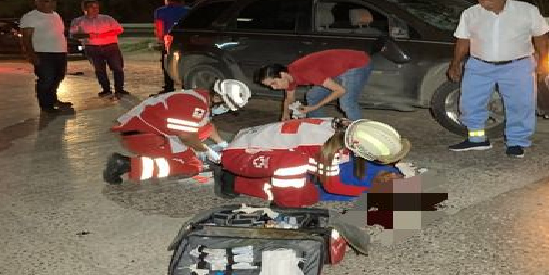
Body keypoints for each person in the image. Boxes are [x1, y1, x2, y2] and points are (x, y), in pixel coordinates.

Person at [446, 0, 549, 159]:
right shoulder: (471, 13)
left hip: (517, 66)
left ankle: (516, 142)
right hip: (479, 65)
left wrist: (544, 61)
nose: (484, 4)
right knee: (469, 103)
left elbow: (541, 37)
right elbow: (463, 40)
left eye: (490, 0)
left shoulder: (527, 10)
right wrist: (455, 63)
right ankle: (477, 139)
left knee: (520, 105)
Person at [213, 118, 413, 208]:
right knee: (296, 174)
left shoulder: (347, 127)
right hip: (239, 155)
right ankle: (285, 206)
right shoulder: (328, 149)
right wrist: (372, 193)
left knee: (305, 175)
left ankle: (244, 180)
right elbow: (333, 186)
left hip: (255, 143)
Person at [102, 79, 251, 184]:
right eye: (226, 106)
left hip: (148, 130)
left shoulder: (201, 97)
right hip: (143, 136)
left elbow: (207, 126)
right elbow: (186, 136)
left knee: (204, 130)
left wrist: (222, 144)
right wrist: (206, 150)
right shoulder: (195, 105)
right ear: (218, 98)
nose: (225, 110)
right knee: (192, 166)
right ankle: (126, 164)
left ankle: (161, 153)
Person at [254, 49, 373, 121]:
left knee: (347, 103)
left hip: (357, 63)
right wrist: (285, 114)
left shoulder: (307, 72)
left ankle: (360, 135)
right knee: (312, 96)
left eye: (274, 83)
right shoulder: (289, 77)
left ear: (282, 74)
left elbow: (340, 91)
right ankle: (320, 125)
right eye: (270, 86)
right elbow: (289, 98)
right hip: (337, 68)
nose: (274, 88)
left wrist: (314, 107)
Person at [19, 0, 73, 115]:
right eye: (46, 1)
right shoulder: (30, 17)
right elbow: (26, 38)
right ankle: (46, 105)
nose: (50, 4)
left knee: (58, 77)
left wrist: (64, 48)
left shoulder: (56, 15)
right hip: (43, 53)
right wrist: (31, 54)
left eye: (53, 1)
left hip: (59, 52)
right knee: (46, 79)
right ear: (37, 2)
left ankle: (53, 99)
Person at [70, 0, 128, 98]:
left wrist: (104, 35)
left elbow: (119, 30)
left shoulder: (107, 18)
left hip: (110, 46)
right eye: (91, 7)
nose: (95, 9)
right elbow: (73, 35)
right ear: (84, 9)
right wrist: (88, 35)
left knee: (117, 68)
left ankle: (119, 89)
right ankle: (106, 89)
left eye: (96, 7)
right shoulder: (78, 21)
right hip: (92, 48)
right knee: (100, 70)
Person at [154, 0, 190, 93]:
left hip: (169, 41)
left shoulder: (160, 11)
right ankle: (186, 87)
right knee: (185, 64)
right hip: (185, 40)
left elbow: (159, 28)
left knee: (167, 64)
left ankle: (169, 87)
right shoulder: (189, 10)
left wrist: (160, 39)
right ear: (181, 0)